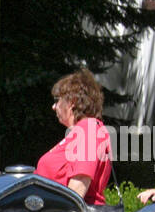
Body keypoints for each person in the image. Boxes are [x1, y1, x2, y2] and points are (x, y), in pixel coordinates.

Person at [36, 69, 111, 203]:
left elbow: (80, 183)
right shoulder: (78, 133)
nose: (54, 107)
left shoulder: (89, 129)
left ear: (72, 102)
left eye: (57, 100)